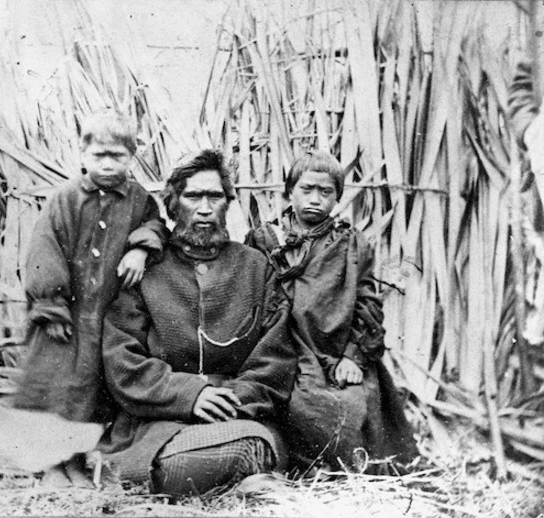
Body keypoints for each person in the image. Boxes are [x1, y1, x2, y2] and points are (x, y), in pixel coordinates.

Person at [97, 149, 297, 496]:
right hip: (157, 424)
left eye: (215, 196)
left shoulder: (254, 268)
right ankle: (239, 481)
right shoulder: (146, 271)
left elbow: (275, 359)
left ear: (227, 203)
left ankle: (234, 479)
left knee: (256, 443)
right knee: (195, 460)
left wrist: (229, 399)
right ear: (173, 204)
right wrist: (191, 395)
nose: (205, 208)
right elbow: (122, 361)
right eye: (193, 196)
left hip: (239, 416)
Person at [245, 151, 417, 473]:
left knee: (348, 409)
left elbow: (367, 302)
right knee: (296, 404)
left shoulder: (351, 244)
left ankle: (344, 472)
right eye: (307, 189)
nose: (315, 200)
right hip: (281, 348)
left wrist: (354, 356)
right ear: (289, 191)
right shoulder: (264, 239)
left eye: (326, 192)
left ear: (337, 197)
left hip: (336, 350)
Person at [14, 109, 169, 424]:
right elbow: (45, 248)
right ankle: (50, 460)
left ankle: (85, 453)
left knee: (97, 385)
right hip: (67, 312)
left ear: (132, 157)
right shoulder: (66, 198)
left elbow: (156, 225)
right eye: (99, 155)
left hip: (109, 313)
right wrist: (50, 305)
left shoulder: (139, 200)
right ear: (83, 154)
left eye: (118, 156)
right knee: (54, 379)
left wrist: (140, 249)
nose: (108, 164)